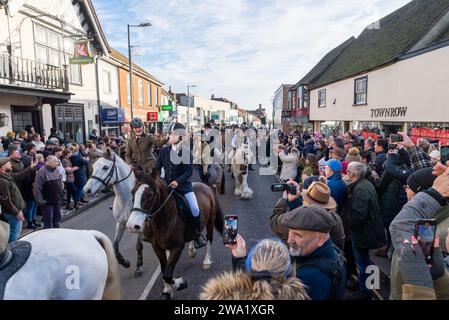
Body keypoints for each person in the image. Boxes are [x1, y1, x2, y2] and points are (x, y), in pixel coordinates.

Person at [389, 164, 449, 299]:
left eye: (408, 187)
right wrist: (438, 273)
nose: (405, 190)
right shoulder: (426, 224)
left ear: (422, 193)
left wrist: (434, 193)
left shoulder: (443, 233)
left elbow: (399, 226)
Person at [200, 234, 309, 300]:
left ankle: (197, 233)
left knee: (194, 209)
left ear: (249, 265)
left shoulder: (218, 295)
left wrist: (239, 259)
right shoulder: (298, 296)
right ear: (287, 270)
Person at [154, 122, 207, 249]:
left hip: (183, 188)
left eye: (174, 134)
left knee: (194, 208)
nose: (171, 136)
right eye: (170, 134)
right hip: (166, 188)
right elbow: (157, 167)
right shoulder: (163, 151)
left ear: (181, 137)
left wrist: (177, 181)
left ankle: (197, 234)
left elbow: (188, 171)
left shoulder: (185, 152)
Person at [279, 205, 347, 300]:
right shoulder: (334, 251)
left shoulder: (307, 278)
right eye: (290, 232)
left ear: (320, 239)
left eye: (298, 235)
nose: (289, 240)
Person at [345, 161, 386, 299]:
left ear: (352, 173)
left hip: (364, 232)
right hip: (369, 229)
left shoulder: (360, 189)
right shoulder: (365, 184)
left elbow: (359, 215)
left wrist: (349, 225)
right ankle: (368, 286)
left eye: (348, 171)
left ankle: (365, 292)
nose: (347, 173)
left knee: (363, 263)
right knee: (366, 261)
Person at [0, 157, 37, 242]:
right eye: (8, 163)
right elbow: (6, 201)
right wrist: (17, 213)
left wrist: (31, 167)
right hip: (13, 213)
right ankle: (12, 250)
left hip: (15, 211)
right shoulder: (3, 182)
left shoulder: (7, 175)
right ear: (2, 167)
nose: (11, 164)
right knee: (14, 232)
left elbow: (19, 175)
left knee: (16, 231)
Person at [33, 155, 65, 229]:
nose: (57, 163)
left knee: (56, 221)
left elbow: (60, 183)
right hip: (47, 202)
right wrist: (41, 201)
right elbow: (37, 188)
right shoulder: (41, 171)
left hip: (57, 200)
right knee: (48, 223)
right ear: (48, 162)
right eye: (55, 161)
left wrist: (61, 194)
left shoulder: (56, 170)